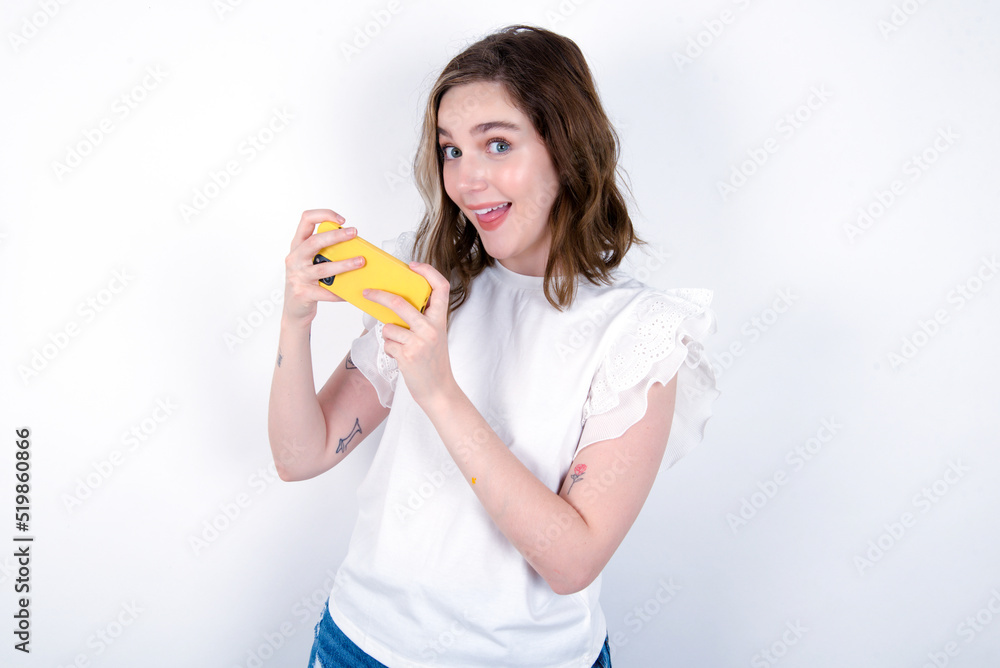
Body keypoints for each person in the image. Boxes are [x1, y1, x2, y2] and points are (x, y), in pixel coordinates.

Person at [268, 24, 719, 668]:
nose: (467, 181)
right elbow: (300, 456)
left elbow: (571, 561)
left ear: (567, 151)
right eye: (450, 151)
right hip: (360, 646)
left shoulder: (638, 332)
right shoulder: (428, 282)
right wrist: (295, 319)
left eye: (497, 145)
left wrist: (439, 390)